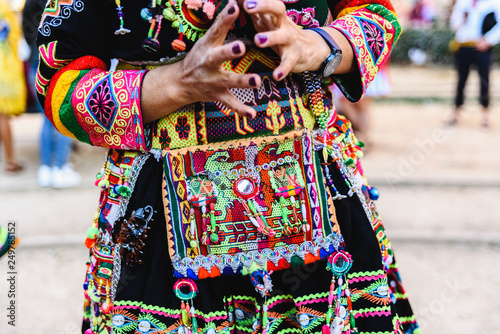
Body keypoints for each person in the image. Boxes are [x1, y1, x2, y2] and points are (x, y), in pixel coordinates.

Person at [36, 0, 419, 333]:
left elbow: (376, 14)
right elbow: (60, 82)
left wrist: (314, 45)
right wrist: (174, 84)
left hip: (317, 192)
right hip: (159, 206)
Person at [22, 0, 81, 187]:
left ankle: (46, 169)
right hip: (59, 62)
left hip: (35, 60)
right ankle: (60, 168)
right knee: (61, 116)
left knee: (46, 118)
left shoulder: (30, 2)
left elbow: (25, 30)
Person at [449, 0, 500, 128]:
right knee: (461, 80)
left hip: (482, 47)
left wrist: (488, 40)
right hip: (464, 45)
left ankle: (485, 115)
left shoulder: (493, 3)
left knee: (484, 81)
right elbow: (454, 25)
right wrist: (462, 18)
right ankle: (456, 113)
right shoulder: (463, 2)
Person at [0, 0, 25, 173]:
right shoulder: (5, 9)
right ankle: (10, 160)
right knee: (2, 118)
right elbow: (14, 37)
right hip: (4, 69)